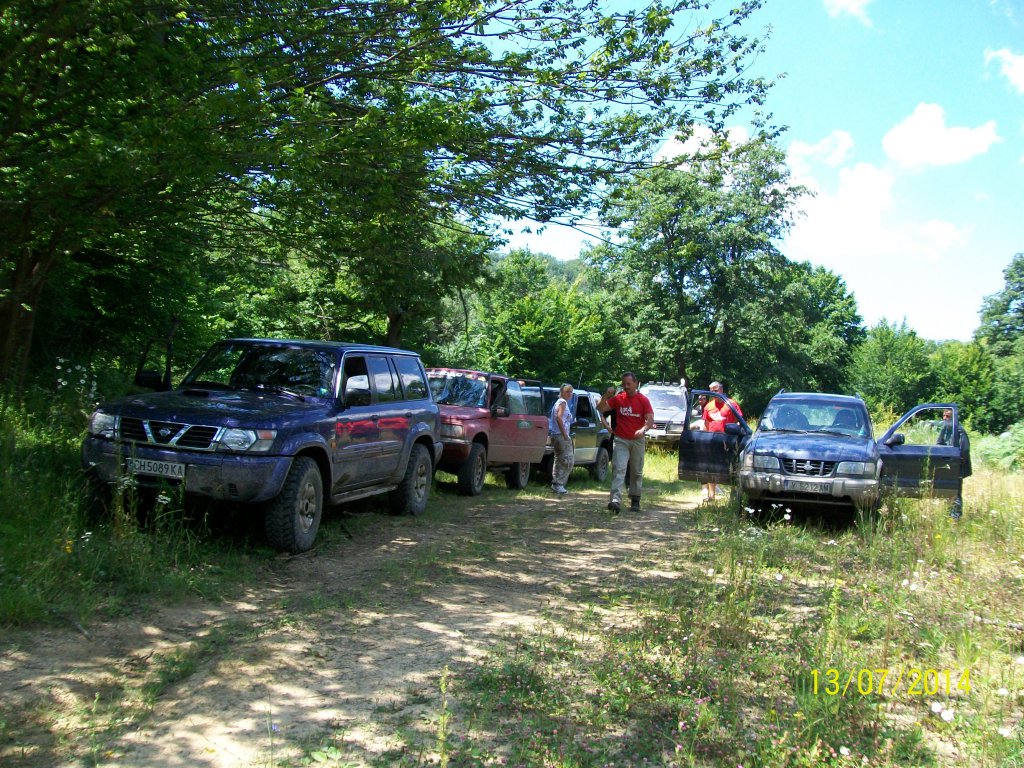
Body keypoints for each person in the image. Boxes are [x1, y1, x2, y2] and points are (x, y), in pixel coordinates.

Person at [598, 372, 654, 514]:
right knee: (619, 468)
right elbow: (600, 408)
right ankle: (615, 500)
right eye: (624, 384)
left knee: (636, 470)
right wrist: (606, 395)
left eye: (629, 384)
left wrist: (643, 429)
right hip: (621, 439)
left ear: (636, 383)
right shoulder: (619, 398)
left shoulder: (643, 400)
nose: (626, 386)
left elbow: (650, 419)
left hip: (637, 440)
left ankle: (635, 499)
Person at [701, 381, 743, 501]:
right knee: (712, 467)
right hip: (713, 440)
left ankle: (733, 494)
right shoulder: (708, 406)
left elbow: (739, 421)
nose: (713, 393)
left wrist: (736, 436)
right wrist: (704, 438)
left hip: (729, 440)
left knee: (732, 467)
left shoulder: (731, 404)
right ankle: (711, 495)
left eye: (716, 390)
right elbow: (706, 424)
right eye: (711, 391)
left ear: (722, 390)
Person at [937, 408, 971, 519]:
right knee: (947, 491)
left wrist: (958, 463)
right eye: (944, 416)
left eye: (947, 416)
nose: (944, 418)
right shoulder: (945, 429)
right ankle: (950, 516)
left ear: (953, 418)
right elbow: (938, 444)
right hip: (946, 465)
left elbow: (965, 450)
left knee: (955, 493)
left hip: (955, 466)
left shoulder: (959, 430)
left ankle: (955, 519)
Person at [549, 383, 575, 494]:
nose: (569, 394)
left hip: (555, 434)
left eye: (571, 392)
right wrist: (565, 434)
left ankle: (556, 484)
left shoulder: (558, 402)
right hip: (560, 435)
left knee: (559, 460)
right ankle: (559, 484)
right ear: (562, 392)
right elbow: (559, 418)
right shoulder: (563, 402)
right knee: (568, 461)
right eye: (567, 391)